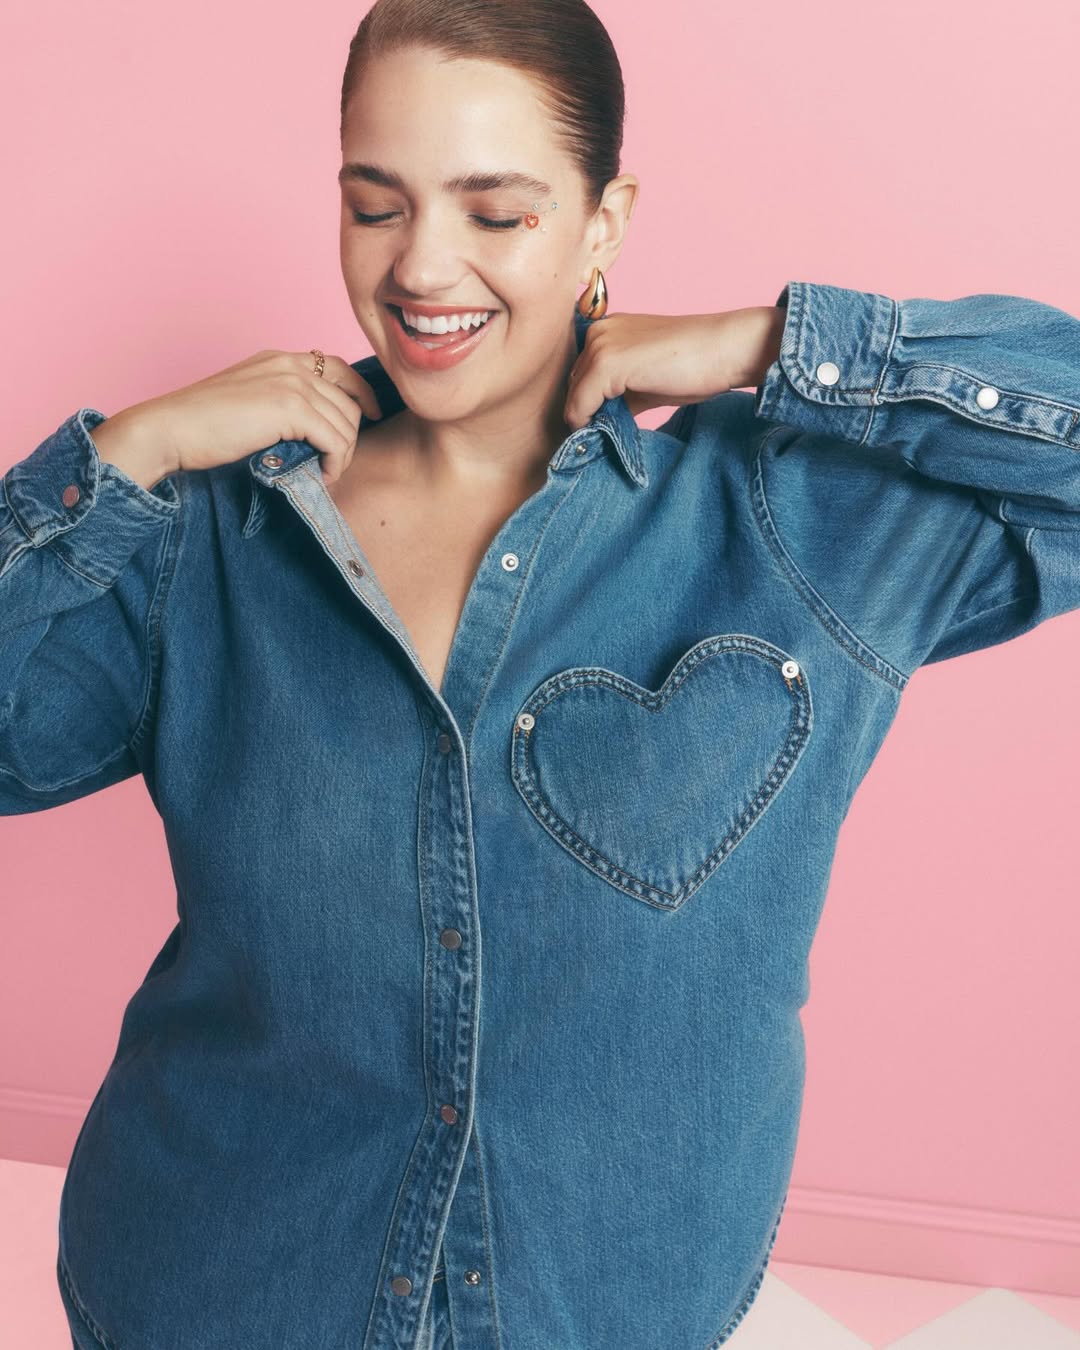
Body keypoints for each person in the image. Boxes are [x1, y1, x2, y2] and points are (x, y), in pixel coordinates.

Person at [3, 0, 1075, 1347]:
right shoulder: (210, 528)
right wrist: (127, 458)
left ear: (604, 221)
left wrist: (773, 347)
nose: (421, 266)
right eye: (374, 203)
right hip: (213, 1288)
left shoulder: (786, 521)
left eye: (495, 212)